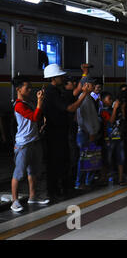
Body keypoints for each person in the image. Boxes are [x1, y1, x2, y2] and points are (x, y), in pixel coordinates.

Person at [42, 64, 89, 200]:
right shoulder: (52, 92)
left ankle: (59, 189)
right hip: (55, 133)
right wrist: (84, 94)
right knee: (57, 162)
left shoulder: (56, 90)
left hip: (58, 131)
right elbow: (70, 108)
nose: (63, 78)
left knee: (61, 161)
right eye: (60, 76)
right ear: (53, 78)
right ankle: (56, 191)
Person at [10, 77, 49, 212]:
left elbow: (37, 117)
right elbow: (34, 117)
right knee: (18, 173)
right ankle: (14, 201)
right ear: (18, 89)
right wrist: (39, 102)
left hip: (34, 140)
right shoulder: (19, 105)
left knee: (33, 171)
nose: (30, 89)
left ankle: (33, 196)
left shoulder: (29, 102)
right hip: (23, 144)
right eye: (27, 87)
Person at [75, 78, 100, 189]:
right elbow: (85, 118)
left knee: (89, 158)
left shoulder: (88, 97)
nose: (94, 86)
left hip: (89, 132)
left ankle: (86, 181)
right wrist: (91, 132)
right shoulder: (83, 98)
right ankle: (80, 183)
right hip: (86, 133)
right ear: (85, 85)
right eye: (91, 84)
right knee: (85, 158)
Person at [100, 92, 127, 186]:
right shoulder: (103, 111)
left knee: (121, 158)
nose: (111, 101)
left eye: (112, 99)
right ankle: (104, 178)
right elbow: (111, 121)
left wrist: (122, 108)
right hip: (109, 138)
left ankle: (120, 179)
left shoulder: (116, 110)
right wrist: (115, 108)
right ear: (103, 100)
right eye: (109, 99)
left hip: (119, 137)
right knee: (107, 159)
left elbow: (123, 119)